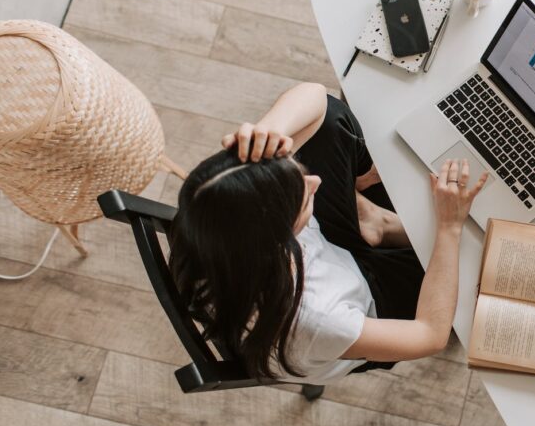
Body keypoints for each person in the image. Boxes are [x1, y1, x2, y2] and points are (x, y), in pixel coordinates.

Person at [167, 83, 487, 384]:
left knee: (331, 120)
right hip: (367, 304)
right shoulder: (319, 320)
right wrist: (448, 226)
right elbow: (429, 335)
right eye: (301, 194)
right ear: (279, 239)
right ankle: (376, 223)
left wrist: (270, 130)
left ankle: (371, 222)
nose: (315, 182)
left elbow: (317, 99)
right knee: (474, 267)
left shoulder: (212, 213)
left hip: (324, 259)